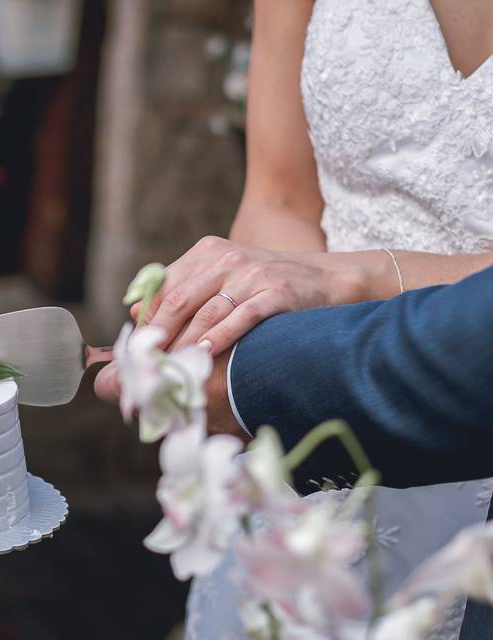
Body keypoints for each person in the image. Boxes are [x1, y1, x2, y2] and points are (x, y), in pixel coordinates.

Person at [96, 0, 493, 637]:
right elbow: (279, 197)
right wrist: (240, 351)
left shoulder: (345, 285)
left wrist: (352, 279)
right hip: (305, 439)